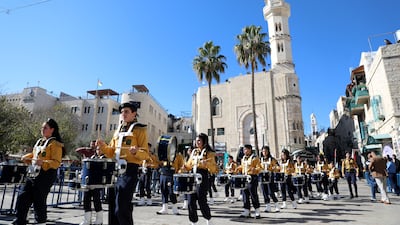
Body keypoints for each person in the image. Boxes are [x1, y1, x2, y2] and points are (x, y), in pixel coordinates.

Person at [96, 101, 150, 225]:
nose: (123, 114)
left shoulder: (140, 130)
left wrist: (136, 152)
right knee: (113, 208)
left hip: (129, 170)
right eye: (121, 112)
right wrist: (103, 146)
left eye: (126, 112)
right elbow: (111, 152)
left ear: (134, 114)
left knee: (121, 208)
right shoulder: (117, 131)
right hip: (115, 171)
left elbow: (145, 154)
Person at [13, 118, 64, 225]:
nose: (42, 129)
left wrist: (44, 163)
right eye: (42, 127)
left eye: (45, 127)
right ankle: (20, 220)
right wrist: (26, 157)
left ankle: (40, 222)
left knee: (39, 200)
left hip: (46, 174)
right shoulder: (39, 141)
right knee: (23, 196)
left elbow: (56, 162)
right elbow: (34, 155)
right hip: (32, 173)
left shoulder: (55, 144)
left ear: (52, 130)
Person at [182, 133, 216, 225]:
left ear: (204, 142)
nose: (197, 142)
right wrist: (184, 167)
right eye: (196, 140)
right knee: (190, 201)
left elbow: (214, 169)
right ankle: (193, 222)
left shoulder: (209, 153)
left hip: (202, 177)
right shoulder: (194, 152)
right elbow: (189, 165)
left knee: (201, 201)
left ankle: (208, 219)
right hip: (192, 177)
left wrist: (206, 164)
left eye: (199, 140)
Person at [77, 141, 104, 225]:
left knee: (96, 200)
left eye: (100, 149)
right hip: (89, 182)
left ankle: (99, 220)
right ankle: (87, 219)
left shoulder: (104, 158)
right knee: (86, 199)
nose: (98, 151)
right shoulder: (92, 157)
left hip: (97, 182)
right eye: (97, 149)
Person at [235, 144, 261, 219]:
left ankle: (257, 211)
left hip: (252, 177)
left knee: (253, 195)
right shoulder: (243, 158)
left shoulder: (254, 158)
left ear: (250, 150)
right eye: (244, 150)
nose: (244, 151)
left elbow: (259, 168)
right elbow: (243, 166)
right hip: (244, 177)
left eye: (246, 149)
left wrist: (255, 169)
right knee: (245, 195)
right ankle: (246, 210)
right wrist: (238, 168)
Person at [156, 147, 183, 215]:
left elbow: (181, 166)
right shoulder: (163, 155)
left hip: (172, 175)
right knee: (163, 191)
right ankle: (164, 208)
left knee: (171, 192)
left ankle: (175, 209)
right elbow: (158, 163)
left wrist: (178, 172)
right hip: (163, 174)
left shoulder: (178, 156)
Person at [257, 146, 280, 212]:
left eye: (266, 151)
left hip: (270, 177)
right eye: (263, 151)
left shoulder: (272, 159)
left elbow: (278, 166)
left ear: (268, 151)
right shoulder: (259, 159)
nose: (264, 152)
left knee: (271, 192)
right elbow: (257, 167)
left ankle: (277, 205)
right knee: (264, 192)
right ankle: (268, 206)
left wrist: (274, 168)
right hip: (262, 177)